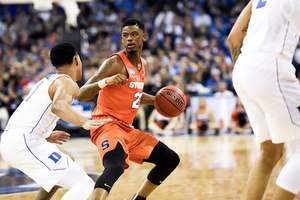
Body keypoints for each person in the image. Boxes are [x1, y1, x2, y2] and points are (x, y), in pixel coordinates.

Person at [77, 18, 180, 200]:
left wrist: (158, 101)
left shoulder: (143, 64)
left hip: (127, 130)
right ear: (122, 39)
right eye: (125, 36)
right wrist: (105, 81)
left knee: (170, 159)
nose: (129, 39)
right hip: (106, 125)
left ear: (144, 37)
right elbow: (82, 94)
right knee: (115, 167)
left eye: (134, 34)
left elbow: (134, 95)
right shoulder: (115, 63)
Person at [0, 42, 111, 200]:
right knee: (83, 183)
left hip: (15, 140)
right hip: (24, 143)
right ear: (76, 60)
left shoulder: (46, 80)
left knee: (68, 161)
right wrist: (83, 122)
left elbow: (30, 115)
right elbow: (58, 106)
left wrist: (43, 135)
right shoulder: (67, 82)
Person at [228, 0, 300, 199]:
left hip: (243, 69)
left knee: (270, 152)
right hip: (271, 68)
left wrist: (248, 77)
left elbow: (233, 38)